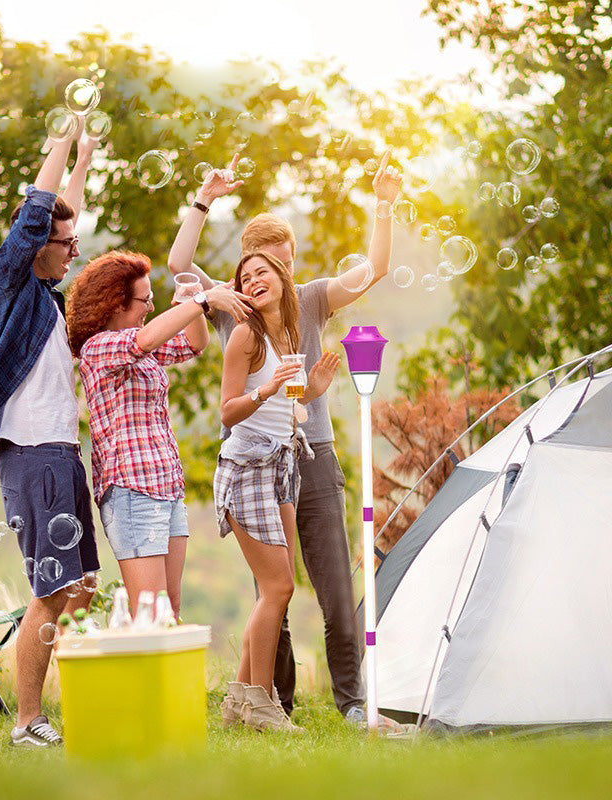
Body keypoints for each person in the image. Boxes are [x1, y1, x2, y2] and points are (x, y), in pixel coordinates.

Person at [167, 151, 404, 730]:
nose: (278, 274)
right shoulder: (235, 306)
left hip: (313, 457)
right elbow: (178, 262)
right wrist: (204, 198)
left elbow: (373, 267)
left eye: (286, 262)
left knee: (331, 587)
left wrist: (383, 206)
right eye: (267, 263)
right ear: (251, 264)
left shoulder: (315, 296)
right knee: (274, 589)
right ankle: (276, 701)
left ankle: (350, 703)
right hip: (261, 463)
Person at [0, 121, 99, 747]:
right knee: (50, 591)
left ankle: (79, 698)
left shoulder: (44, 295)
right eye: (65, 244)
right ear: (33, 244)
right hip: (33, 453)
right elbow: (41, 215)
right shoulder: (7, 284)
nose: (75, 252)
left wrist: (85, 163)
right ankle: (26, 724)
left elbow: (60, 218)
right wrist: (63, 143)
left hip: (61, 453)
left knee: (80, 587)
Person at [65, 252, 251, 618]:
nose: (150, 306)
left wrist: (192, 304)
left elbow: (194, 345)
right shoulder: (99, 348)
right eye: (144, 300)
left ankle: (169, 678)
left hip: (166, 487)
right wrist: (203, 300)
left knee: (170, 609)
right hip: (131, 492)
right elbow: (146, 340)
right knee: (149, 613)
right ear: (116, 303)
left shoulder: (140, 348)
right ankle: (141, 677)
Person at [213, 249, 340, 732]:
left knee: (277, 590)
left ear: (283, 278)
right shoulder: (246, 336)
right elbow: (228, 412)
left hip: (282, 462)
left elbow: (287, 403)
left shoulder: (288, 333)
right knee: (278, 587)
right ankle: (264, 705)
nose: (253, 280)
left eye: (261, 272)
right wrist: (267, 391)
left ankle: (237, 706)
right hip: (246, 467)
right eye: (245, 278)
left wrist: (310, 389)